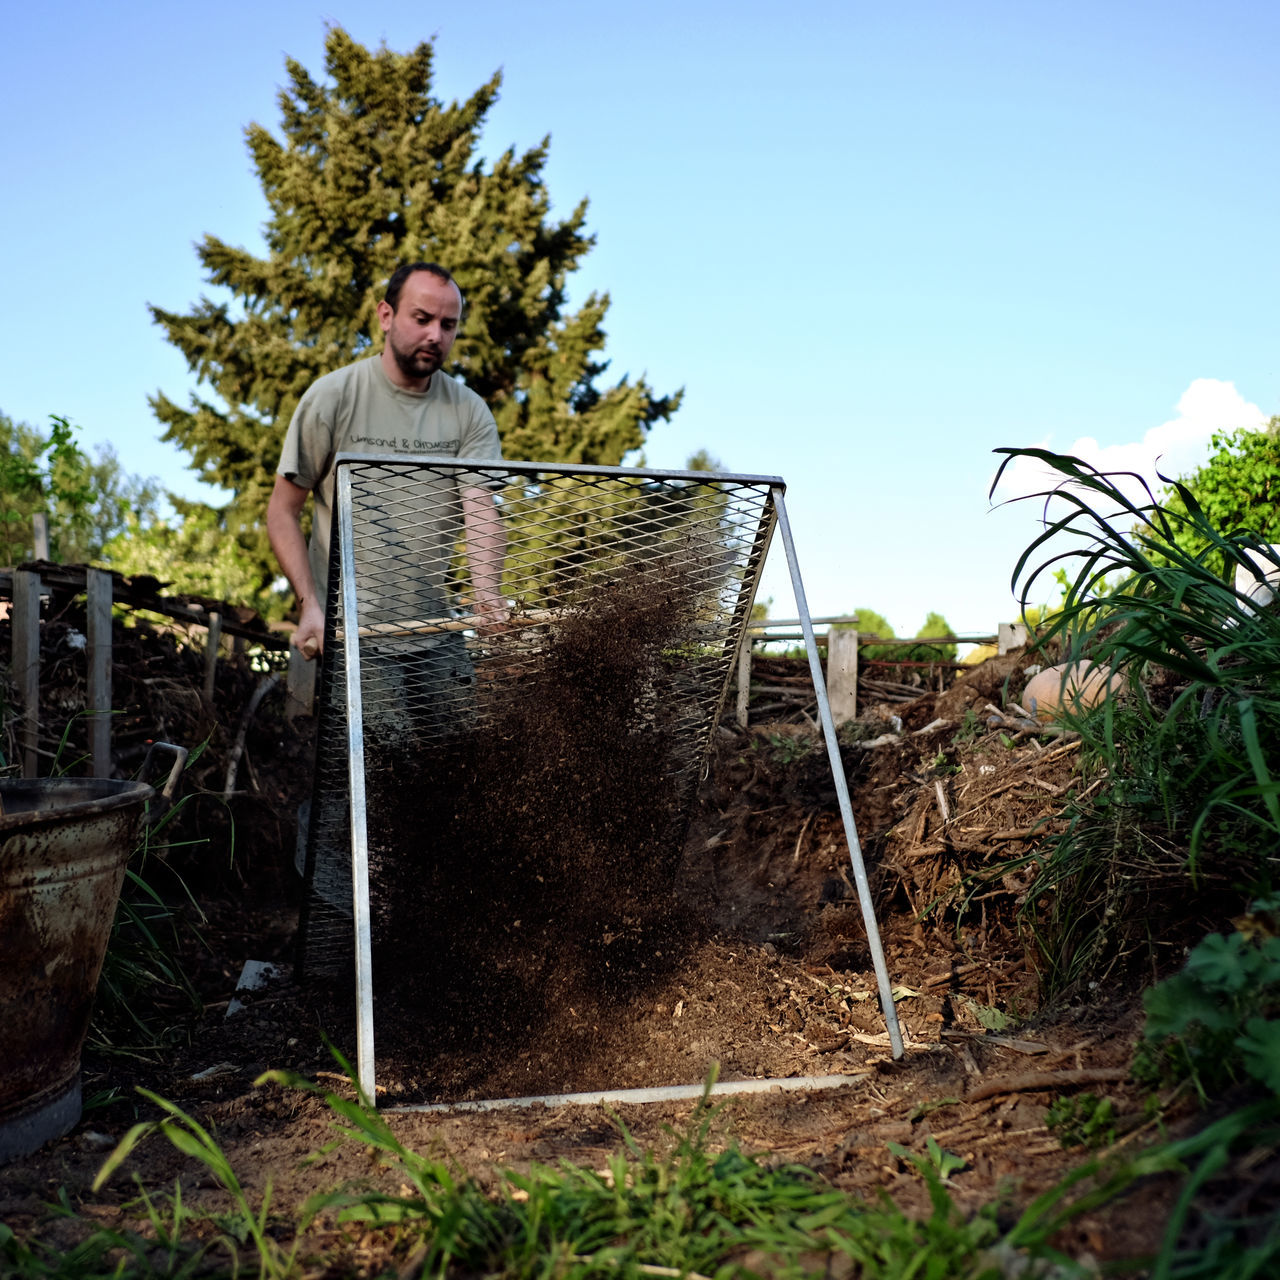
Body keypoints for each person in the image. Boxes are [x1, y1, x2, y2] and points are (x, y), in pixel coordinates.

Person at [267, 261, 507, 664]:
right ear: (385, 315)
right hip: (349, 631)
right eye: (422, 318)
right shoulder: (333, 397)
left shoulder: (470, 411)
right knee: (381, 729)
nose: (436, 334)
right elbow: (282, 510)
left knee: (466, 728)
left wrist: (486, 592)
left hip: (436, 628)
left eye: (448, 325)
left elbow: (480, 507)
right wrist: (309, 605)